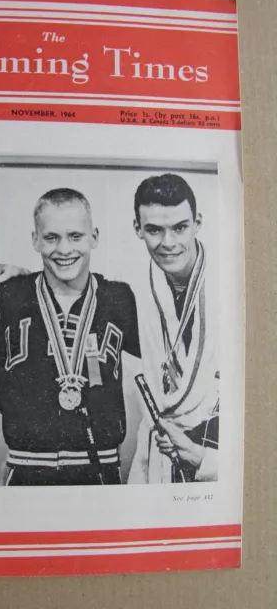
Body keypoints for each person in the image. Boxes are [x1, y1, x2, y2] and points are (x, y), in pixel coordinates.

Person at [0, 188, 140, 486]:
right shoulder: (10, 295)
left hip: (101, 468)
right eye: (51, 237)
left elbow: (163, 348)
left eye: (75, 236)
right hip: (27, 469)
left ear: (94, 237)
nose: (64, 249)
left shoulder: (119, 298)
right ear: (35, 240)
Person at [127, 173, 219, 483]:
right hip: (163, 447)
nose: (168, 243)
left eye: (180, 227)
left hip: (218, 448)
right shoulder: (133, 292)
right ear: (138, 229)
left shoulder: (235, 283)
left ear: (198, 222)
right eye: (154, 230)